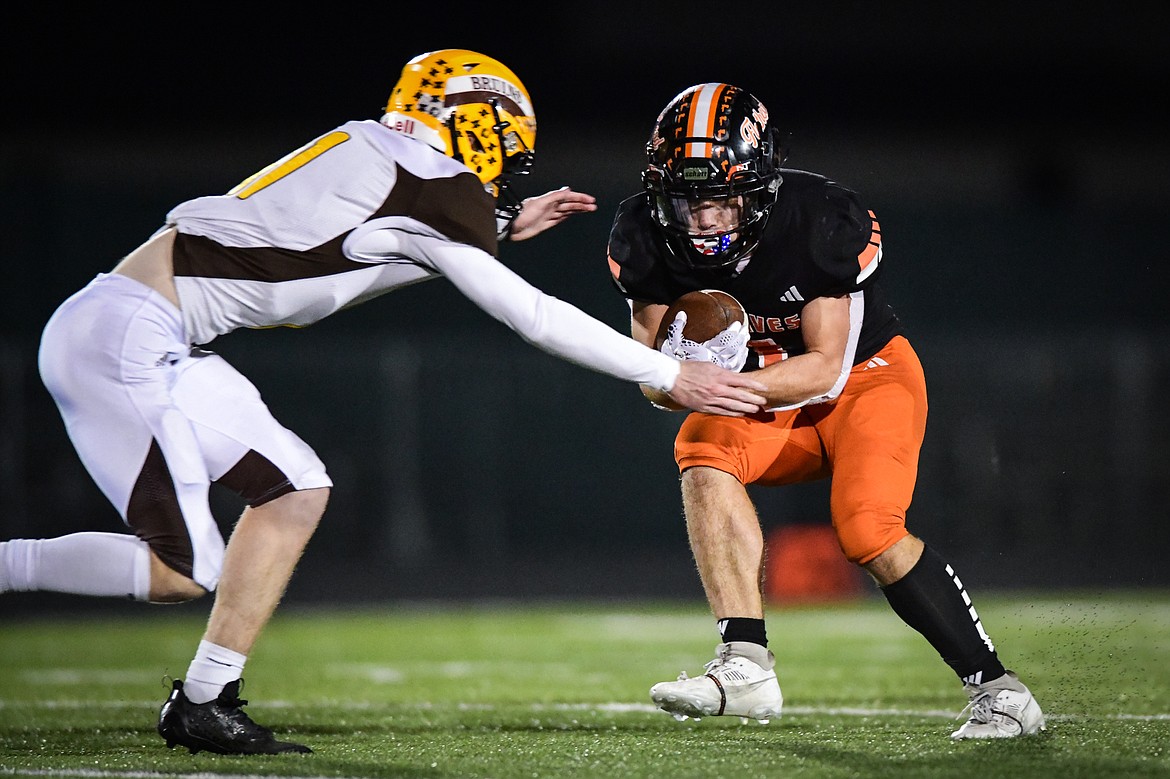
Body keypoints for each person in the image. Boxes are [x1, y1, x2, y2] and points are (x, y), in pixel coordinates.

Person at [0, 53, 769, 756]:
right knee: (181, 568)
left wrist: (498, 226)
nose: (508, 164)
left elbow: (366, 242)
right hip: (124, 337)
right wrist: (668, 374)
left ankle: (204, 699)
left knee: (296, 488)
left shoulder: (386, 158)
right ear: (480, 122)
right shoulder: (431, 183)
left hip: (151, 333)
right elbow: (529, 314)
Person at [605, 82, 1045, 740]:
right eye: (686, 199)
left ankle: (1001, 691)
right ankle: (745, 663)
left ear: (756, 186)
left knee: (868, 531)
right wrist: (682, 378)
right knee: (700, 448)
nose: (702, 219)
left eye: (720, 197)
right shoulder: (642, 235)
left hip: (865, 382)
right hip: (765, 392)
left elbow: (824, 366)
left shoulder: (818, 219)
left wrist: (724, 379)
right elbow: (650, 373)